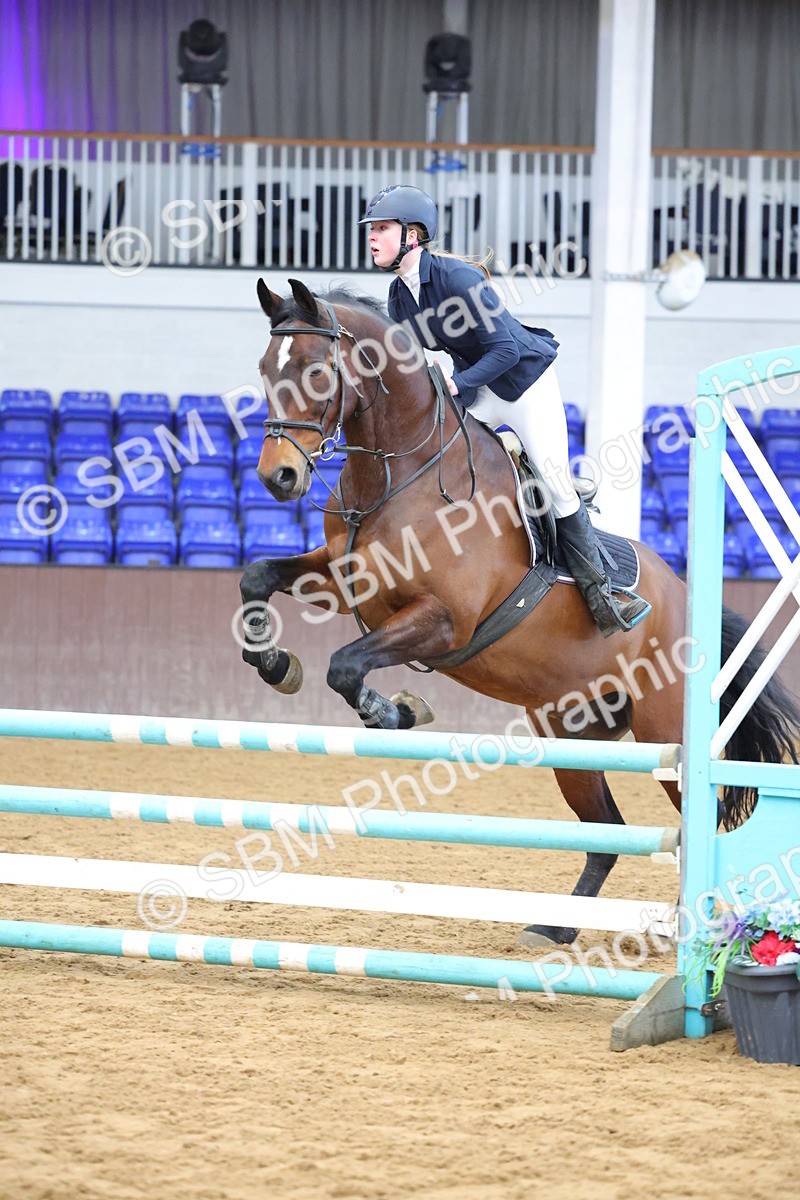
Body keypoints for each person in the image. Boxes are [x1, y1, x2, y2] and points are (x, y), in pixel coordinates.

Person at [358, 184, 650, 639]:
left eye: (381, 229)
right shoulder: (399, 296)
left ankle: (604, 593)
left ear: (412, 235)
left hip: (522, 384)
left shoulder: (457, 279)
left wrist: (457, 383)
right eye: (371, 230)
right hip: (478, 388)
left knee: (555, 486)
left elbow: (506, 349)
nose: (372, 238)